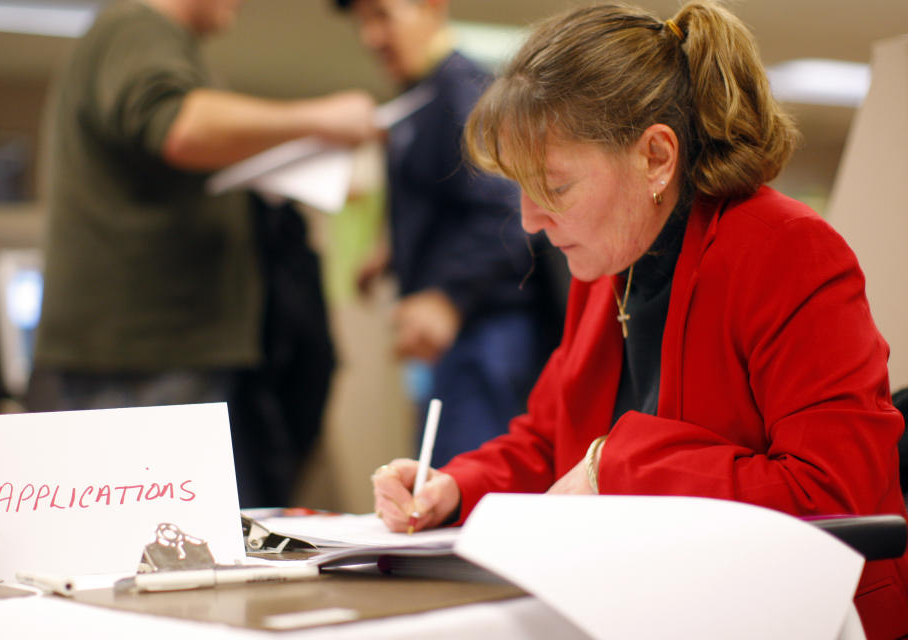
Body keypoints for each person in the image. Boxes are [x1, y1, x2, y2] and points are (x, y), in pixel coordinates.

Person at [370, 3, 908, 637]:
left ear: (656, 156)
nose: (529, 223)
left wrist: (616, 465)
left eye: (555, 186)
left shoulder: (786, 250)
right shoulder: (611, 264)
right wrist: (455, 486)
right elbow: (549, 441)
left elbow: (833, 496)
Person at [27, 0, 378, 508]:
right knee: (163, 556)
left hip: (148, 359)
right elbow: (179, 127)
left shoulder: (147, 38)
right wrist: (317, 119)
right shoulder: (139, 28)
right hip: (145, 361)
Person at [334, 0, 562, 467]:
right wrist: (391, 252)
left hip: (488, 330)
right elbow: (451, 201)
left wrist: (446, 296)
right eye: (361, 22)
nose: (370, 37)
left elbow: (505, 210)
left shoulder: (462, 92)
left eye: (381, 15)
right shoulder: (426, 98)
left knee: (471, 493)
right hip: (466, 334)